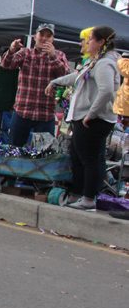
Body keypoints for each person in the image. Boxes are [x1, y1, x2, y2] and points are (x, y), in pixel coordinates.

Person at [46, 26, 121, 210]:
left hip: (95, 120)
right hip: (84, 117)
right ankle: (78, 194)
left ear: (101, 42)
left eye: (90, 39)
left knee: (90, 160)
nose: (86, 43)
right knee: (79, 157)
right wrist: (55, 82)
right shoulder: (96, 61)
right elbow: (78, 77)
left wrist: (91, 114)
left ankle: (88, 198)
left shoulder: (105, 64)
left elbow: (106, 90)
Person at [1, 23, 69, 146]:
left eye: (48, 36)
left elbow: (65, 77)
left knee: (43, 154)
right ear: (35, 37)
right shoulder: (25, 53)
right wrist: (11, 50)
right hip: (22, 111)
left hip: (46, 114)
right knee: (14, 150)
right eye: (41, 34)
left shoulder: (59, 55)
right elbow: (7, 64)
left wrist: (52, 56)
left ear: (52, 39)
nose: (44, 38)